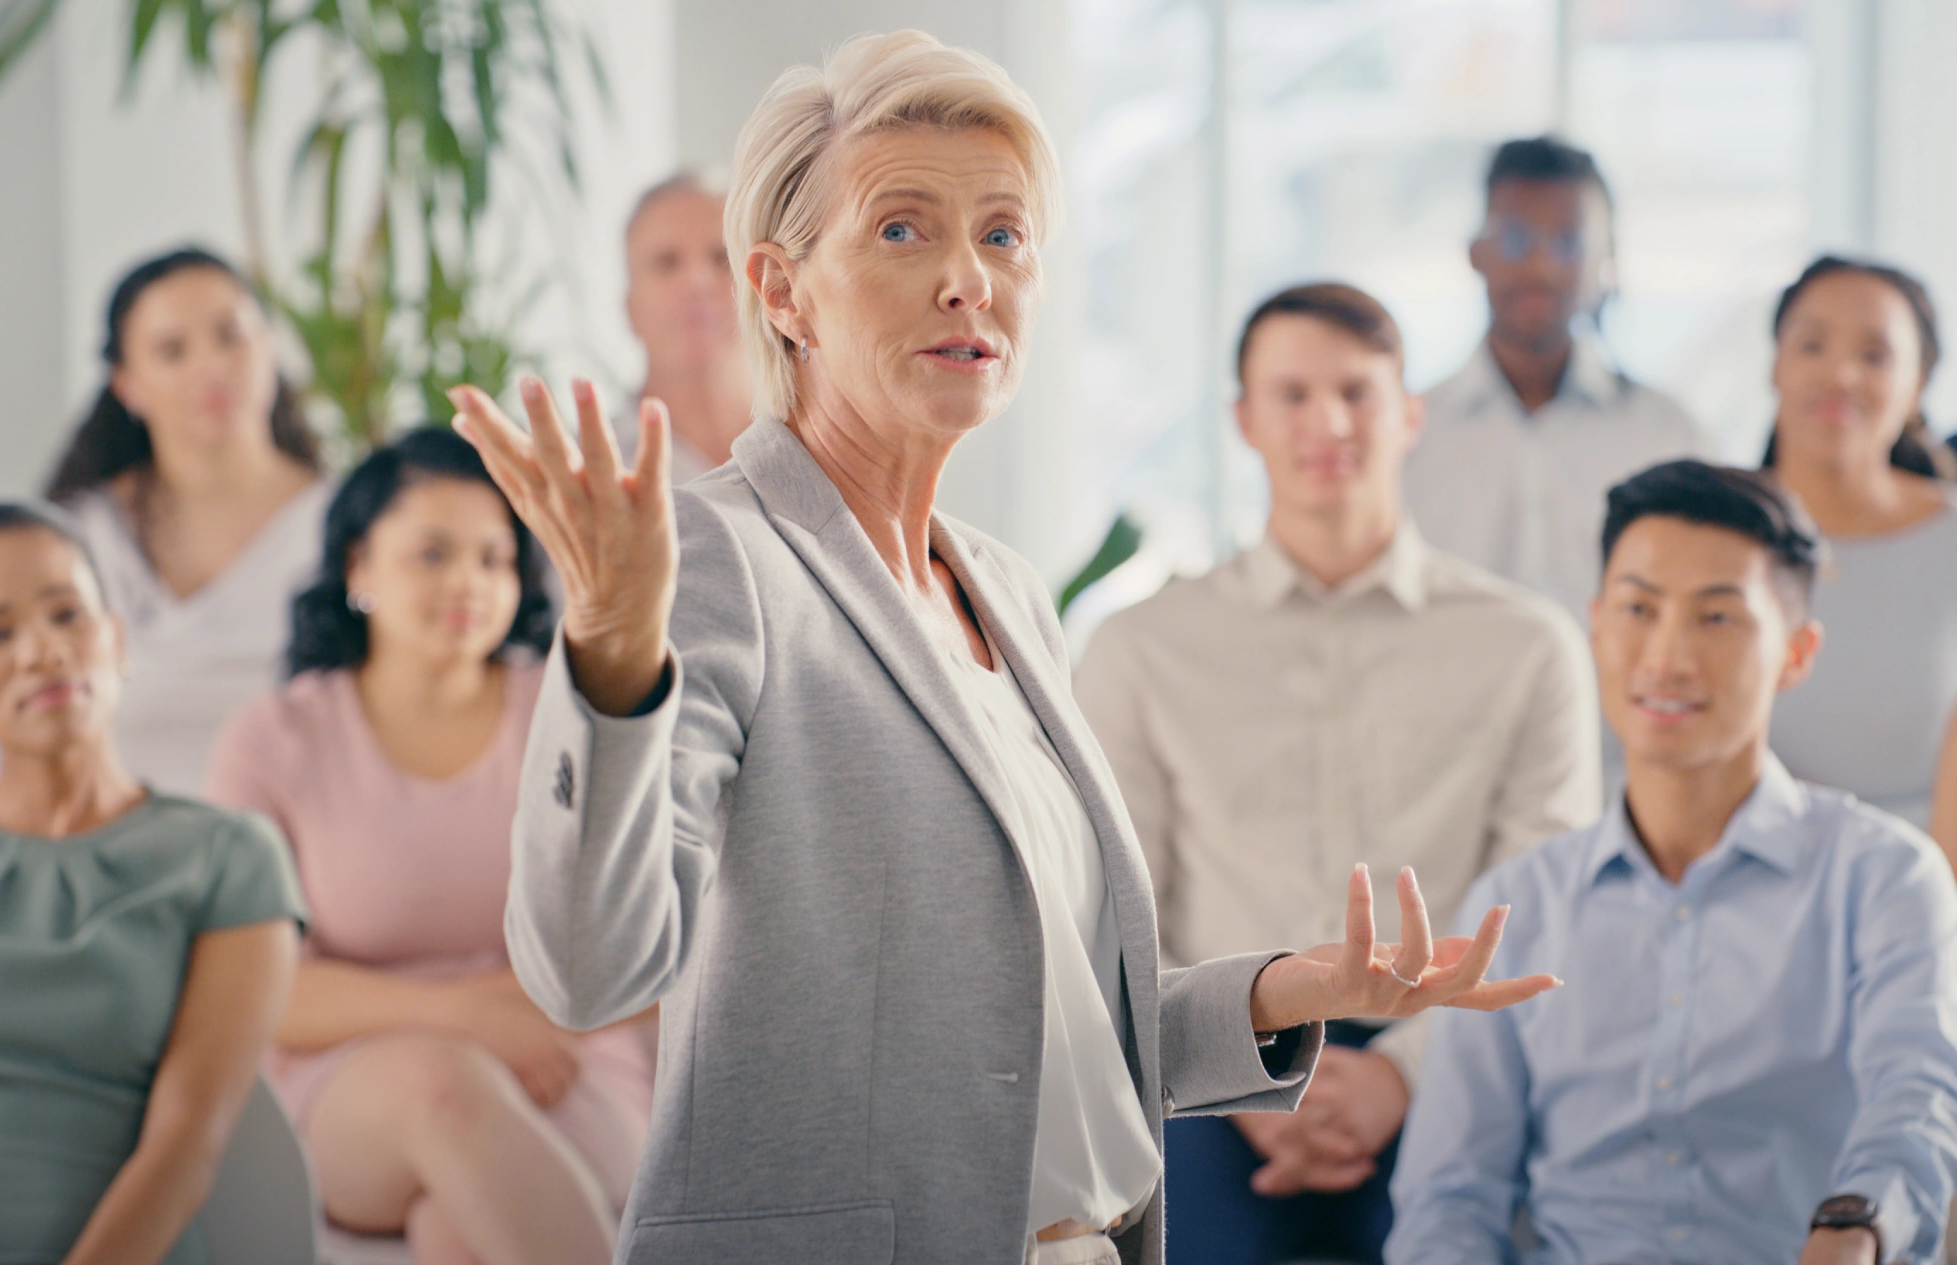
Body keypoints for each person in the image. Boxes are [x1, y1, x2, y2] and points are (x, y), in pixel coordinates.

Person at [446, 30, 1554, 1265]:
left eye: (1004, 234)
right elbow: (590, 970)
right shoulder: (716, 558)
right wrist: (606, 646)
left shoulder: (1010, 593)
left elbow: (1049, 1034)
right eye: (903, 229)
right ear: (780, 288)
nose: (967, 277)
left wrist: (1296, 988)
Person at [1076, 283, 1602, 1265]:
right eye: (1290, 393)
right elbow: (1113, 910)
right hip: (1212, 1069)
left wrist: (1404, 1075)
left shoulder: (1526, 644)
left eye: (1356, 392)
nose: (1326, 421)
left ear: (1409, 413)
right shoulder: (1139, 647)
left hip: (1448, 1057)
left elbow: (1544, 898)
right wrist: (1243, 1067)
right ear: (1243, 419)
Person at [1388, 460, 1957, 1265]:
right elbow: (1450, 1198)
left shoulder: (1888, 878)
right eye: (1637, 609)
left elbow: (1919, 1100)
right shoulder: (1516, 905)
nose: (1666, 656)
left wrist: (1856, 1228)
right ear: (1594, 625)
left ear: (1797, 652)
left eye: (1717, 618)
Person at [203, 429, 654, 1265]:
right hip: (356, 1080)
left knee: (457, 1232)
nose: (469, 583)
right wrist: (465, 1018)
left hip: (565, 1062)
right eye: (433, 552)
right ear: (357, 568)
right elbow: (259, 990)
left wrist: (527, 1019)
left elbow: (642, 937)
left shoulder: (569, 712)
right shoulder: (275, 739)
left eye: (494, 557)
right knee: (441, 1086)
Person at [0, 502, 303, 1265]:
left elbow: (189, 1144)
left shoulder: (226, 855)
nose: (42, 650)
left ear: (115, 640)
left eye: (65, 614)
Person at [45, 246, 329, 796]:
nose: (212, 366)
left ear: (268, 347)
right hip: (124, 862)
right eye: (172, 350)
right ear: (126, 384)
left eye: (230, 335)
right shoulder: (80, 539)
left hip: (304, 863)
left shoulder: (349, 526)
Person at [1403, 136, 1710, 617]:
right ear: (1475, 252)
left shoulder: (1669, 438)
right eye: (1515, 239)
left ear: (1606, 257)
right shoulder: (1407, 437)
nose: (1540, 266)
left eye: (1569, 242)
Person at [1755, 257, 1957, 845]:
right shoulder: (1709, 536)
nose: (1840, 374)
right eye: (1812, 344)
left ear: (1917, 386)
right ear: (1776, 365)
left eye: (1874, 355)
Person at [617, 173, 753, 482]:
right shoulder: (577, 471)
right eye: (666, 262)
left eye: (722, 258)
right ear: (630, 309)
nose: (697, 283)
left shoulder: (827, 448)